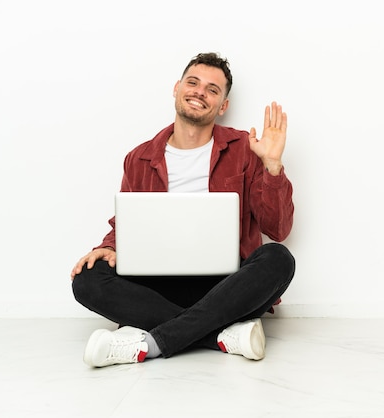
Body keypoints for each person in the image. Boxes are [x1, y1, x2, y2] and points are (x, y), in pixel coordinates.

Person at [70, 52, 295, 368]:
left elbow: (279, 229)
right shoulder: (139, 158)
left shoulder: (245, 148)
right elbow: (128, 222)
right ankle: (222, 336)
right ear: (176, 88)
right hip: (158, 286)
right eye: (193, 82)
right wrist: (106, 248)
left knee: (278, 258)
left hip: (226, 286)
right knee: (87, 277)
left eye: (212, 89)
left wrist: (272, 166)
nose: (200, 92)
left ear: (222, 106)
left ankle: (149, 342)